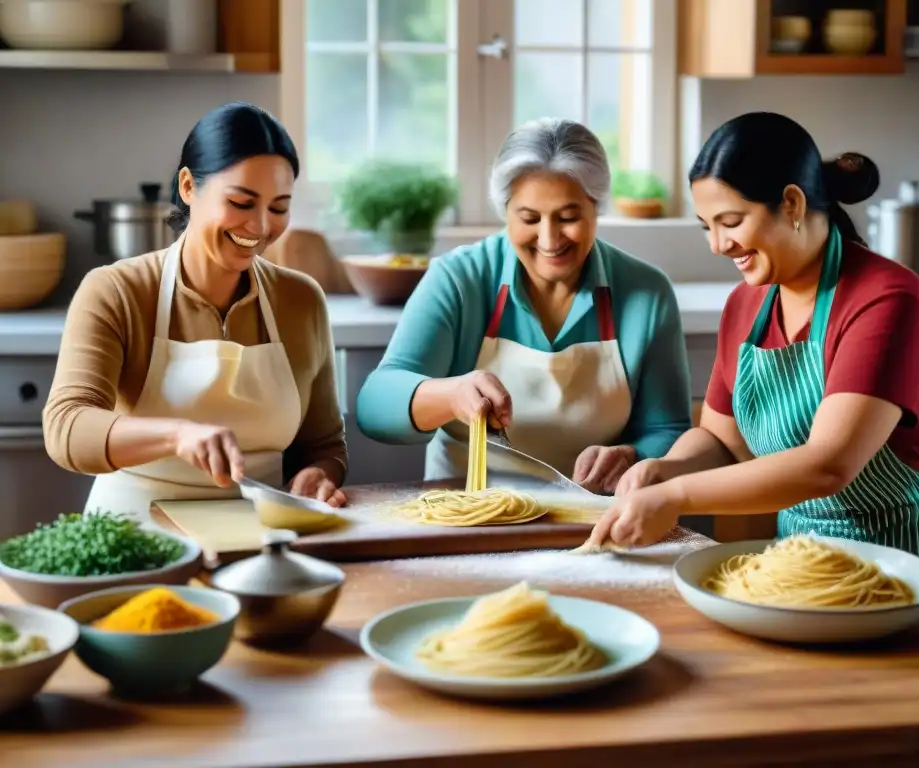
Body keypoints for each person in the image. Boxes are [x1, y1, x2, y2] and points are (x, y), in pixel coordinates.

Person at [587, 111, 919, 559]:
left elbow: (829, 465)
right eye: (707, 226)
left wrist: (678, 497)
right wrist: (666, 469)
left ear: (791, 204)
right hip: (802, 560)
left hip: (912, 559)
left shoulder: (888, 301)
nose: (717, 245)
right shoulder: (745, 305)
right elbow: (723, 443)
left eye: (731, 222)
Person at [43, 102, 348, 524]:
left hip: (261, 539)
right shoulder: (117, 291)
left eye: (278, 208)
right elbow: (67, 427)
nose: (260, 227)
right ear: (188, 186)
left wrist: (318, 474)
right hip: (135, 534)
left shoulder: (301, 300)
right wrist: (177, 434)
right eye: (242, 202)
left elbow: (323, 444)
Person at [356, 118, 692, 493]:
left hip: (595, 516)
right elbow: (374, 406)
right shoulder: (459, 279)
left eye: (568, 218)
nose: (549, 239)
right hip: (465, 515)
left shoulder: (644, 292)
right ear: (506, 212)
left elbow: (668, 430)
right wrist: (450, 396)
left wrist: (635, 456)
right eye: (529, 218)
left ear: (597, 208)